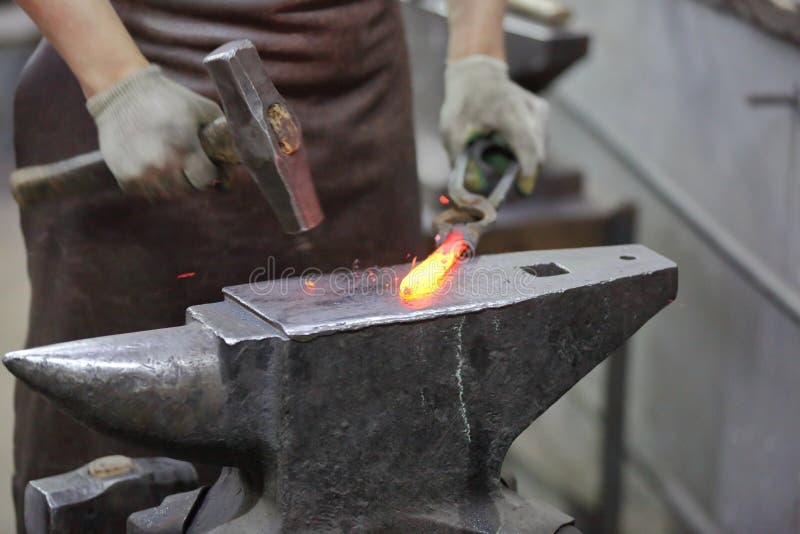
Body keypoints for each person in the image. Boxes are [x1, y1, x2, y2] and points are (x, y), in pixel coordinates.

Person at [11, 0, 548, 530]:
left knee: (364, 441)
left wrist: (479, 59)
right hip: (137, 89)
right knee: (120, 464)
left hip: (360, 105)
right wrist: (117, 86)